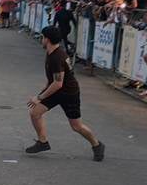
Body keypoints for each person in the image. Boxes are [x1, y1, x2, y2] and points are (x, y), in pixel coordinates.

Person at [26, 26, 105, 161]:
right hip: (56, 91)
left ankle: (97, 144)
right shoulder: (51, 53)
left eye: (43, 37)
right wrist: (41, 94)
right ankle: (43, 142)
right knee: (35, 113)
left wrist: (39, 97)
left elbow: (58, 83)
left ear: (47, 39)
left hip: (69, 94)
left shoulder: (57, 57)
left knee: (76, 126)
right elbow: (51, 80)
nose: (41, 39)